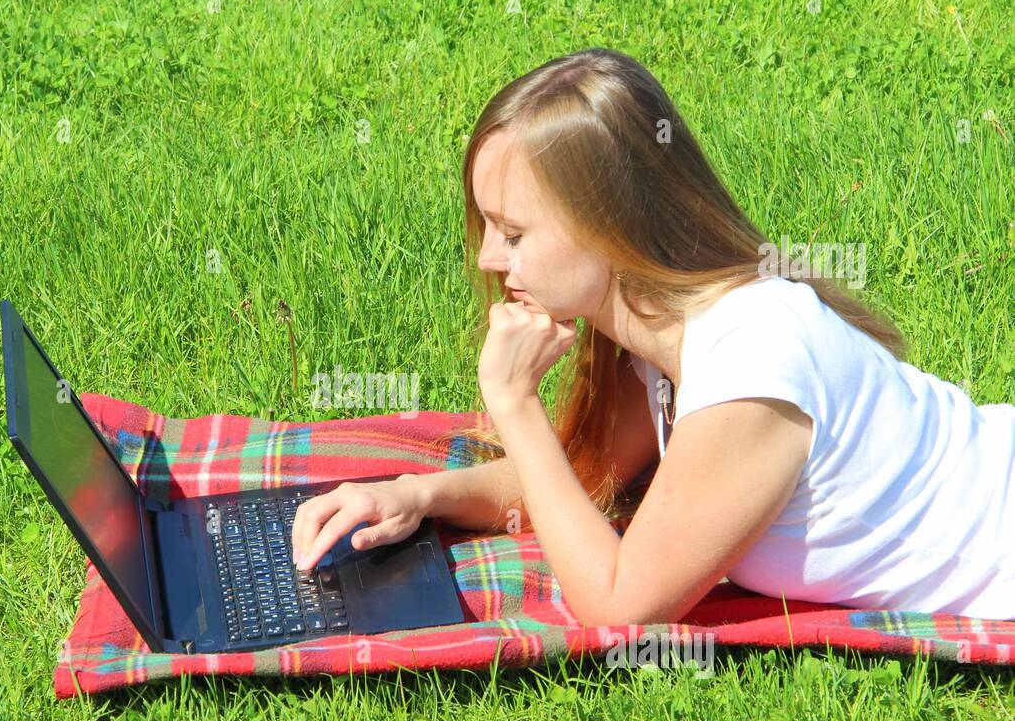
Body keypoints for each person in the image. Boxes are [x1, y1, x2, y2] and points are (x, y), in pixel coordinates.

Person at [290, 48, 1015, 625]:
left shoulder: (752, 364)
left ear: (611, 223)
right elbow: (573, 481)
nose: (487, 260)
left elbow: (618, 606)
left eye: (513, 233)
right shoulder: (666, 334)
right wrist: (417, 495)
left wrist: (514, 403)